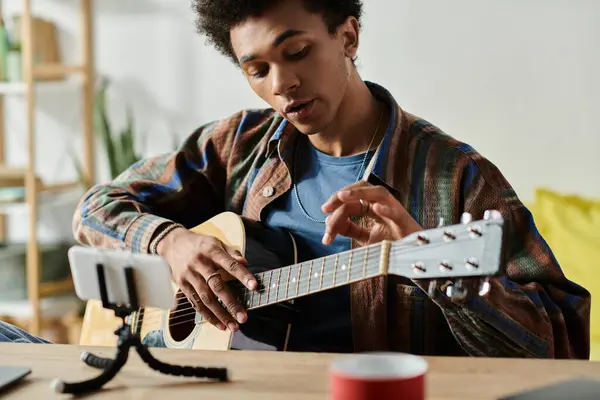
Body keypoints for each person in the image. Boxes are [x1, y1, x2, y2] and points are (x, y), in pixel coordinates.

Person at [72, 0, 590, 358]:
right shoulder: (238, 146)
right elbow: (95, 209)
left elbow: (562, 343)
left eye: (296, 53)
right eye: (257, 69)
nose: (282, 85)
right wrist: (170, 242)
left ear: (348, 35)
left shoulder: (456, 178)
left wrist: (437, 272)